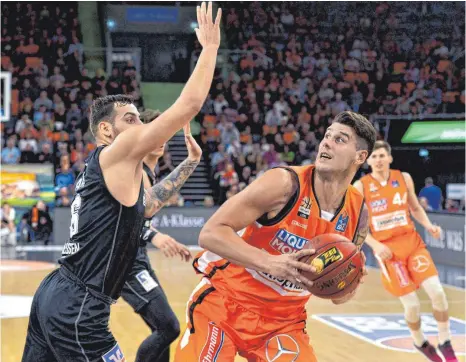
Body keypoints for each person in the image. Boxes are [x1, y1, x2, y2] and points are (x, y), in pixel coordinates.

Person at [22, 3, 221, 361]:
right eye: (131, 119)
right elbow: (189, 104)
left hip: (55, 293)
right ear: (105, 130)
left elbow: (151, 202)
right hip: (80, 306)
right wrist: (209, 49)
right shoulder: (118, 150)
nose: (140, 126)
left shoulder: (105, 170)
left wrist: (190, 163)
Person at [175, 111, 376, 361]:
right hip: (225, 304)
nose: (326, 142)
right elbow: (210, 233)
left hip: (284, 323)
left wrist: (350, 281)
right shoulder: (284, 183)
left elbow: (340, 298)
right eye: (327, 136)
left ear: (360, 156)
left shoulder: (359, 213)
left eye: (340, 139)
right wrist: (269, 262)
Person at [354, 141, 458, 362]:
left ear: (390, 158)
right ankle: (420, 341)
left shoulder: (404, 178)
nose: (379, 160)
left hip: (412, 244)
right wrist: (375, 245)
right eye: (374, 157)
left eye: (382, 155)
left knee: (438, 294)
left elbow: (415, 208)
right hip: (389, 253)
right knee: (412, 305)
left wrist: (429, 226)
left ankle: (445, 341)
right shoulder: (361, 186)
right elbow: (355, 225)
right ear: (368, 161)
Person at [120, 109, 197, 362]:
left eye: (165, 132)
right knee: (168, 327)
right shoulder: (134, 171)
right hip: (122, 262)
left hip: (136, 259)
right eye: (156, 131)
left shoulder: (148, 173)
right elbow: (124, 222)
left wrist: (193, 159)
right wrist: (153, 235)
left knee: (162, 328)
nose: (161, 137)